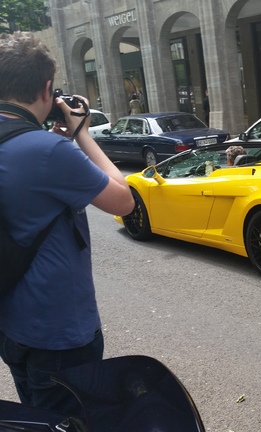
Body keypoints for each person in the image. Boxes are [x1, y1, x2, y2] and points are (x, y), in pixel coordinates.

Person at [0, 32, 134, 416]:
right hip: (59, 332)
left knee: (37, 416)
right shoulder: (47, 151)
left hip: (11, 324)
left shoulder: (31, 144)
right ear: (46, 88)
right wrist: (82, 135)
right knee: (74, 421)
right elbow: (123, 200)